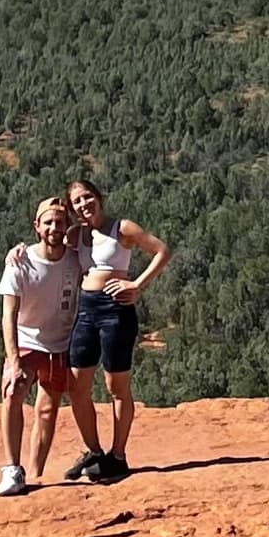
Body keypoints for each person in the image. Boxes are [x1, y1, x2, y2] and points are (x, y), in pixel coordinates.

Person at [61, 178, 172, 483]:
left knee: (116, 387)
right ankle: (95, 451)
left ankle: (118, 457)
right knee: (76, 386)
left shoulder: (122, 228)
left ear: (99, 197)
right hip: (86, 311)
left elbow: (161, 250)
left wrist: (137, 285)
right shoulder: (76, 235)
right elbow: (46, 247)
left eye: (87, 197)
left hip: (116, 311)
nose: (83, 205)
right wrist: (17, 253)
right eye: (76, 203)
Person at [0, 196, 102, 496]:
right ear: (37, 226)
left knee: (47, 410)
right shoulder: (20, 262)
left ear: (67, 226)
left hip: (60, 346)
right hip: (29, 343)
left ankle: (37, 476)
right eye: (48, 222)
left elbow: (101, 247)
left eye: (60, 222)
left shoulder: (74, 259)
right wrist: (13, 360)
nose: (54, 227)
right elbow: (8, 315)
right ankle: (13, 469)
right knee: (13, 392)